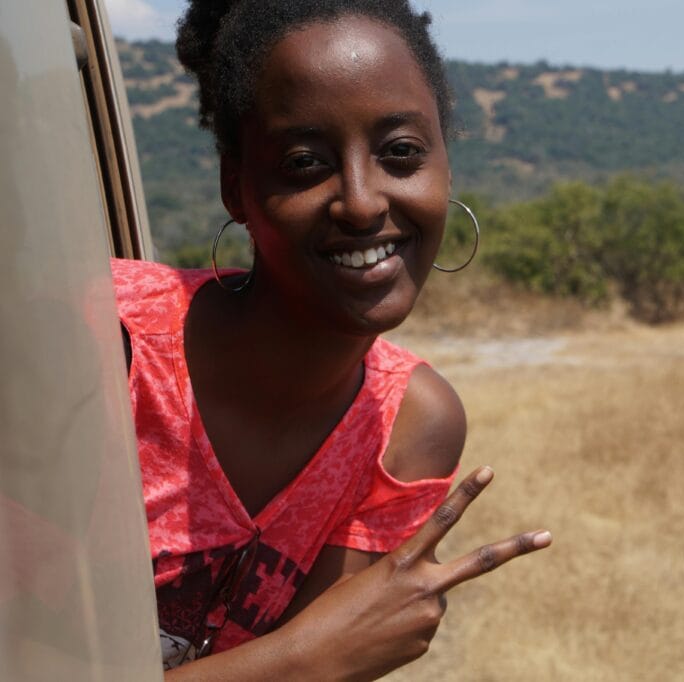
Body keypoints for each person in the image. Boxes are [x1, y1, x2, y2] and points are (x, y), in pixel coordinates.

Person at [112, 1, 551, 678]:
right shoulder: (107, 342)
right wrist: (305, 659)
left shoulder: (409, 426)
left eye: (400, 153)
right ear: (238, 185)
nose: (363, 202)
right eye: (305, 162)